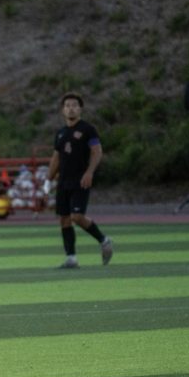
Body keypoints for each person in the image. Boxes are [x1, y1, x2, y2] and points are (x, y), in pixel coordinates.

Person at [47, 92, 114, 269]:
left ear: (80, 109)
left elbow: (97, 151)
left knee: (77, 216)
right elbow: (56, 157)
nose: (71, 108)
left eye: (74, 105)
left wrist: (90, 172)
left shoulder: (87, 129)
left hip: (80, 181)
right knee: (64, 219)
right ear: (63, 110)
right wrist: (48, 179)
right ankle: (71, 258)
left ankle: (104, 240)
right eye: (67, 105)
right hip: (63, 182)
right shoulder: (60, 133)